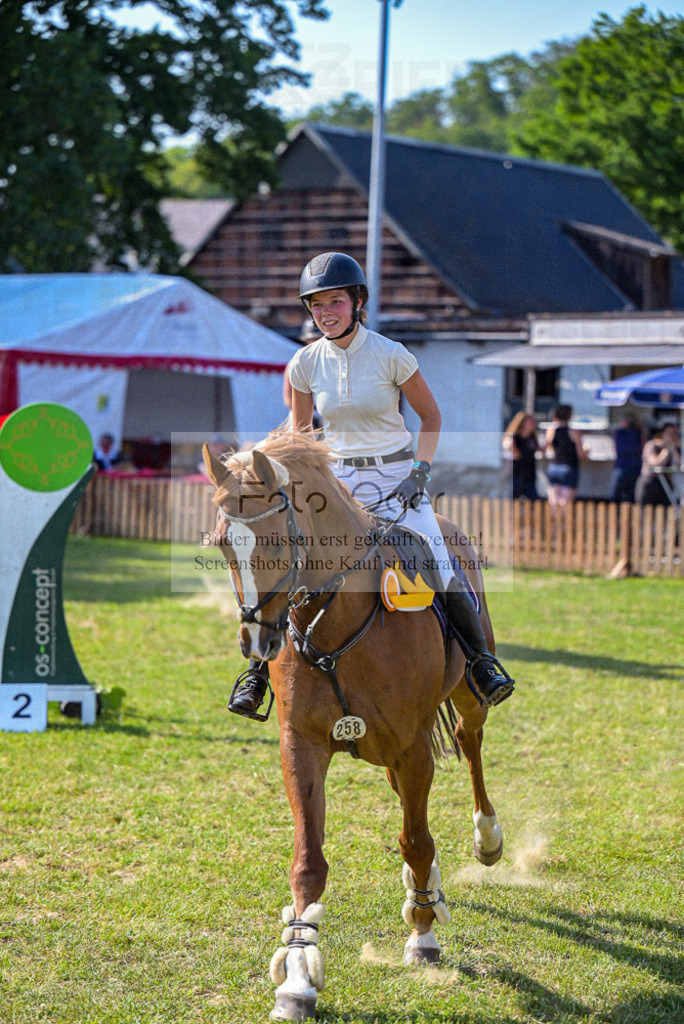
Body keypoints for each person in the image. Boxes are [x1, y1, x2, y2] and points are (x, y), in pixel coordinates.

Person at [229, 251, 515, 720]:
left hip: (396, 476)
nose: (325, 313)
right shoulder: (304, 362)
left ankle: (482, 664)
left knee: (439, 561)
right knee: (287, 560)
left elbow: (431, 415)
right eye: (316, 305)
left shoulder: (391, 354)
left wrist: (420, 471)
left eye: (334, 302)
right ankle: (258, 674)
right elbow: (303, 434)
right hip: (337, 479)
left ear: (357, 302)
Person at [544, 405, 587, 518]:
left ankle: (553, 530)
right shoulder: (573, 431)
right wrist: (587, 451)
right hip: (568, 467)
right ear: (570, 415)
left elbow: (547, 448)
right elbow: (581, 454)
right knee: (565, 502)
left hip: (554, 467)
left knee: (553, 500)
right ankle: (562, 529)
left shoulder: (551, 430)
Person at [635, 422, 681, 507]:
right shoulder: (652, 445)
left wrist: (673, 450)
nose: (673, 436)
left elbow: (677, 465)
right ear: (662, 433)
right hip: (649, 483)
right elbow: (655, 464)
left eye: (675, 433)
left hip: (664, 484)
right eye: (670, 433)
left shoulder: (673, 448)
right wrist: (666, 450)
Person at [502, 411, 539, 500]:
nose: (533, 425)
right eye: (530, 423)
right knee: (514, 499)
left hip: (530, 474)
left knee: (534, 500)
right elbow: (506, 444)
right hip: (517, 474)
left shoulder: (532, 438)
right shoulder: (515, 437)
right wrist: (512, 448)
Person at [608, 415, 643, 503]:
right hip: (635, 466)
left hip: (621, 466)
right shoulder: (639, 433)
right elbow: (642, 448)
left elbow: (615, 448)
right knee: (631, 495)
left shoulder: (619, 433)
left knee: (615, 494)